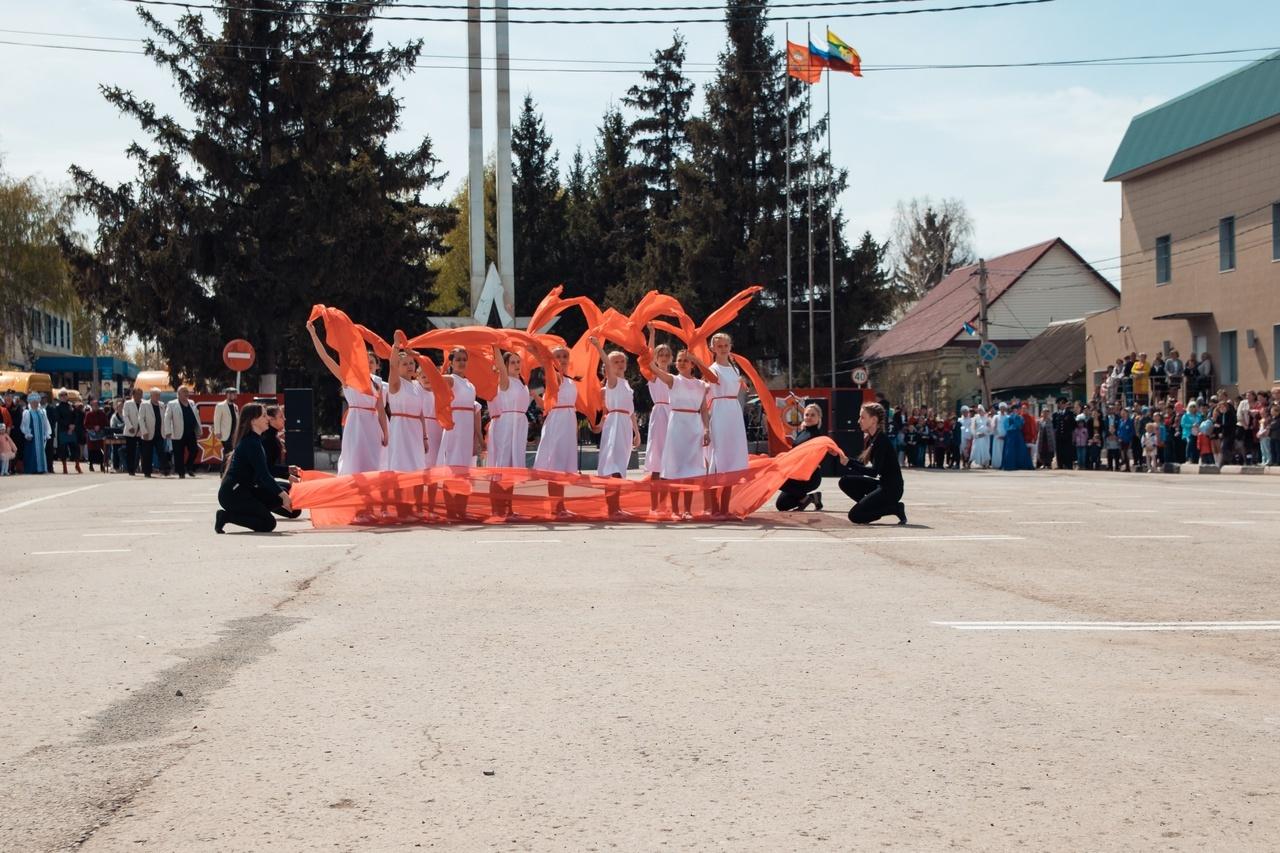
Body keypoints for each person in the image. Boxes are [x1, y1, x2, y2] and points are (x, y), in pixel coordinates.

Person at [307, 320, 389, 475]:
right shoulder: (348, 377)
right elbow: (325, 358)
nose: (368, 364)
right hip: (356, 422)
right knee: (354, 458)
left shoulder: (377, 382)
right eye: (366, 361)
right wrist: (313, 334)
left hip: (372, 424)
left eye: (372, 362)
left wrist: (385, 432)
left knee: (373, 459)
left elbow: (381, 410)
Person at [653, 347, 711, 519]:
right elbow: (652, 367)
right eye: (679, 360)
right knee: (675, 469)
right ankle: (676, 510)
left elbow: (704, 410)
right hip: (677, 424)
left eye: (685, 360)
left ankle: (687, 509)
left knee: (691, 472)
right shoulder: (672, 380)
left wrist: (706, 429)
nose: (682, 363)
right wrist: (649, 341)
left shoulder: (702, 385)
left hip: (694, 426)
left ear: (692, 364)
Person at [215, 403, 291, 533]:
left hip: (245, 490)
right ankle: (226, 516)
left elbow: (262, 477)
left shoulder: (255, 440)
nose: (267, 419)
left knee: (278, 496)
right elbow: (264, 475)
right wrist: (283, 495)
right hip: (232, 495)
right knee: (268, 523)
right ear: (253, 421)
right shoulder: (251, 443)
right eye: (263, 416)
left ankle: (255, 512)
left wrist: (281, 494)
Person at [589, 338, 640, 517]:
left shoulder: (626, 385)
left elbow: (631, 411)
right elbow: (606, 364)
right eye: (615, 361)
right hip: (615, 423)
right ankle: (612, 507)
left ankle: (616, 506)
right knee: (613, 464)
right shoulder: (612, 382)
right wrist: (598, 347)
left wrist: (637, 432)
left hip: (625, 423)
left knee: (621, 463)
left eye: (622, 361)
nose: (619, 364)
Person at [838, 403, 906, 526]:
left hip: (891, 490)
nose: (859, 421)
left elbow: (874, 472)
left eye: (862, 417)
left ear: (874, 420)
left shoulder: (881, 440)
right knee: (844, 481)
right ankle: (869, 509)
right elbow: (861, 464)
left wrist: (849, 463)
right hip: (882, 485)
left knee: (854, 516)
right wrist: (847, 460)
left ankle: (894, 508)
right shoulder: (871, 439)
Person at [532, 345, 580, 518]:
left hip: (568, 421)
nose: (562, 359)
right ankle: (555, 506)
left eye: (565, 356)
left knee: (564, 464)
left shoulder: (571, 380)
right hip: (557, 422)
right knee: (556, 464)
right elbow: (546, 365)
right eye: (558, 356)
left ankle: (560, 506)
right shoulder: (554, 378)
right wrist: (537, 352)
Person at [775, 404, 846, 511]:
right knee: (781, 505)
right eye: (807, 414)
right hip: (795, 475)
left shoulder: (818, 437)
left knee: (776, 478)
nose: (809, 417)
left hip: (809, 478)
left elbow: (832, 451)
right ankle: (813, 497)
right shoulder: (801, 433)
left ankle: (805, 498)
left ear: (819, 418)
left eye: (813, 415)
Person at [485, 346, 531, 470]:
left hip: (520, 423)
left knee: (516, 458)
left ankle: (510, 487)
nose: (516, 365)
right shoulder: (505, 381)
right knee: (504, 457)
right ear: (506, 365)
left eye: (518, 361)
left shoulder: (522, 382)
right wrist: (495, 347)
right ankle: (499, 488)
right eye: (512, 362)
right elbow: (499, 366)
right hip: (507, 422)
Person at [436, 347, 482, 467]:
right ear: (451, 362)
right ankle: (450, 485)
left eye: (464, 359)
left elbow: (475, 412)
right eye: (458, 360)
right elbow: (432, 378)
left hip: (467, 427)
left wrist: (478, 439)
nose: (462, 362)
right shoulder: (451, 379)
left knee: (465, 462)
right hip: (454, 425)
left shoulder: (471, 385)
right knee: (453, 459)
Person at [164, 386, 202, 478]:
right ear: (179, 393)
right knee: (179, 453)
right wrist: (168, 431)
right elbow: (167, 418)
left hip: (190, 432)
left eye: (187, 391)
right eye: (184, 391)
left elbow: (196, 417)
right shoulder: (172, 403)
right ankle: (181, 473)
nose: (186, 393)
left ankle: (189, 467)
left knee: (194, 450)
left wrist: (198, 430)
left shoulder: (192, 403)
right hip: (177, 432)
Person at [19, 394, 50, 475]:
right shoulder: (27, 413)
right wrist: (27, 433)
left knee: (41, 451)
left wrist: (46, 433)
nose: (35, 404)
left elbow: (45, 424)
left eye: (36, 402)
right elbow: (24, 424)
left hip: (40, 436)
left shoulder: (42, 412)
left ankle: (41, 468)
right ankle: (32, 468)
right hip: (32, 437)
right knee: (32, 452)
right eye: (33, 402)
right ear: (30, 403)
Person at [141, 389, 165, 477]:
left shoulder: (162, 405)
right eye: (155, 395)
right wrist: (144, 431)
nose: (157, 397)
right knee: (147, 453)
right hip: (148, 433)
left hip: (159, 433)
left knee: (161, 451)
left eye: (158, 395)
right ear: (151, 395)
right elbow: (141, 419)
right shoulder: (144, 404)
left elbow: (164, 419)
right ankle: (147, 471)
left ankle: (165, 469)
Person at [121, 387, 144, 475]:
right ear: (133, 395)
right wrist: (129, 426)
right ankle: (131, 470)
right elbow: (125, 416)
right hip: (130, 431)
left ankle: (145, 468)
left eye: (141, 394)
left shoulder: (144, 403)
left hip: (141, 431)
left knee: (144, 451)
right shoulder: (128, 403)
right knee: (131, 451)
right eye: (138, 394)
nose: (139, 396)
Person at [84, 398, 110, 472]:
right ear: (91, 406)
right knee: (92, 451)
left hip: (100, 435)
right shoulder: (89, 414)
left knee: (100, 451)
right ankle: (91, 465)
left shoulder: (102, 414)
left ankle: (102, 465)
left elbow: (106, 423)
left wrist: (100, 427)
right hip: (92, 435)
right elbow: (85, 425)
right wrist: (93, 427)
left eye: (97, 405)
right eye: (94, 405)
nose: (95, 407)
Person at [213, 388, 239, 455]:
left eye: (235, 394)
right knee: (228, 452)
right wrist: (217, 432)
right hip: (225, 434)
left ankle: (226, 465)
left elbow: (237, 419)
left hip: (234, 434)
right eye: (233, 393)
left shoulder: (235, 406)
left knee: (230, 452)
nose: (235, 395)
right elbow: (216, 419)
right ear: (228, 395)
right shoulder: (220, 405)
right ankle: (225, 465)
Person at [991, 402, 1008, 469]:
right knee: (997, 450)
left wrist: (1005, 436)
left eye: (1004, 408)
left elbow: (1008, 427)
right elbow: (993, 426)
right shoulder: (996, 416)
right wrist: (997, 434)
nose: (1002, 409)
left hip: (1005, 436)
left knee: (1003, 450)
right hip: (997, 435)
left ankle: (1004, 464)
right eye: (1001, 408)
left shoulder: (1007, 417)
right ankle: (997, 464)